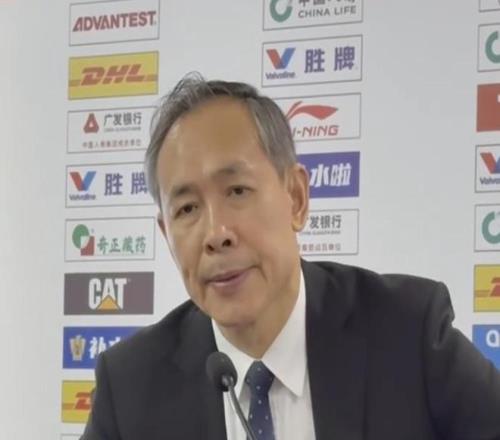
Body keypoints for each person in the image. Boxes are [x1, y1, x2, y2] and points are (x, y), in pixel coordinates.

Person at [81, 74, 500, 440]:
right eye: (187, 208)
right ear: (166, 235)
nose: (216, 234)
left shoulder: (407, 333)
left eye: (237, 191)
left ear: (296, 198)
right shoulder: (130, 387)